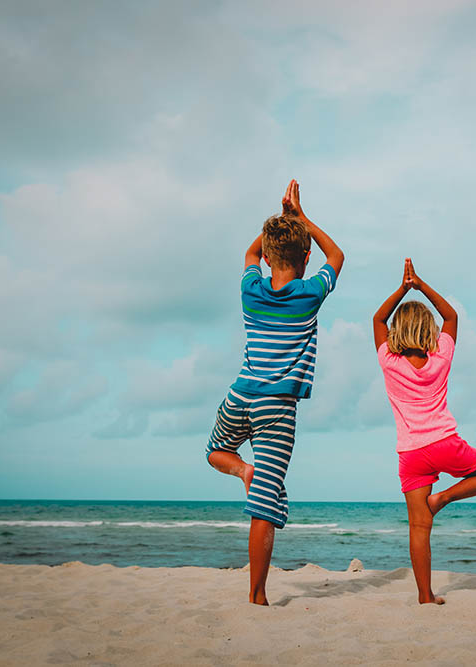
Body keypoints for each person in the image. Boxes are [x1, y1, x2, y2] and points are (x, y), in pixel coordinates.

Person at [205, 179, 344, 605]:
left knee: (215, 452)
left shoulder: (251, 288)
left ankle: (242, 470)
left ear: (266, 257)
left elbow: (250, 254)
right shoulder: (308, 294)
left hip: (239, 395)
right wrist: (300, 218)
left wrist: (278, 222)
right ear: (306, 257)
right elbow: (336, 256)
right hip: (276, 407)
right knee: (264, 503)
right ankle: (257, 595)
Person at [373, 258, 476, 604]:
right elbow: (452, 317)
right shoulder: (441, 356)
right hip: (444, 442)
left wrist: (402, 288)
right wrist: (421, 284)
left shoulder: (388, 361)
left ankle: (426, 596)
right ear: (427, 329)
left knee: (418, 528)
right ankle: (443, 498)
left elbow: (378, 319)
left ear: (399, 331)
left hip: (411, 453)